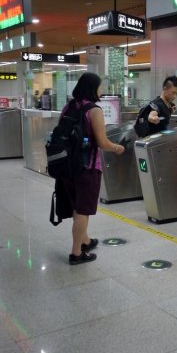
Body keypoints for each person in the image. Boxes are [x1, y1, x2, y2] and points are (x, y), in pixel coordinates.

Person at [58, 72, 125, 265]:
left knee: (77, 207)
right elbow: (103, 143)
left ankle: (85, 240)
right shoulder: (94, 110)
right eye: (100, 86)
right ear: (92, 88)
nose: (102, 90)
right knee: (83, 210)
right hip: (87, 167)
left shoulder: (68, 106)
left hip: (67, 165)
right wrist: (117, 148)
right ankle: (76, 252)